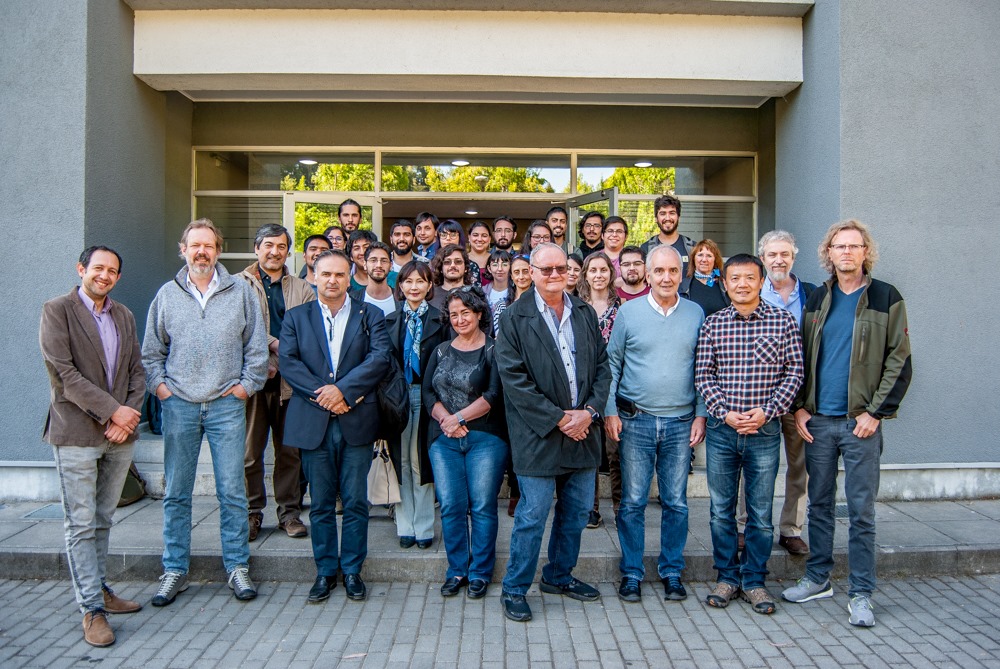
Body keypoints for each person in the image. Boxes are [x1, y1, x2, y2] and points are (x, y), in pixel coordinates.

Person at [781, 220, 911, 628]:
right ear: (829, 253)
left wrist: (875, 413)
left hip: (860, 425)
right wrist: (800, 408)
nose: (847, 253)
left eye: (854, 246)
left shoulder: (885, 297)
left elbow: (899, 360)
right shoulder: (818, 298)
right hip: (818, 422)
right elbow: (799, 356)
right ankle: (818, 577)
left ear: (865, 252)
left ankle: (861, 592)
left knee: (861, 511)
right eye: (839, 246)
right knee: (818, 505)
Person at [142, 219, 268, 606]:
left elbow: (257, 348)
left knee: (232, 491)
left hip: (226, 405)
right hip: (179, 405)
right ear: (183, 250)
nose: (201, 252)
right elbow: (151, 352)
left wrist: (245, 387)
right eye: (194, 245)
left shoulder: (241, 292)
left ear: (218, 250)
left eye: (208, 246)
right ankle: (174, 569)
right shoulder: (167, 295)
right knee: (176, 492)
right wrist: (162, 389)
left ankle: (237, 566)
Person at [496, 243, 611, 623]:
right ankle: (514, 588)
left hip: (584, 430)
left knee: (576, 512)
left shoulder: (584, 312)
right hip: (539, 435)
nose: (554, 275)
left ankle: (558, 576)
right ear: (531, 272)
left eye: (561, 268)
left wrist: (589, 412)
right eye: (546, 269)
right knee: (533, 514)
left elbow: (603, 367)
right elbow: (514, 380)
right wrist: (561, 419)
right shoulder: (513, 317)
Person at [40, 245, 145, 647]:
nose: (104, 275)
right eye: (98, 268)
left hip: (120, 436)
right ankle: (91, 610)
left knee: (102, 519)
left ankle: (100, 588)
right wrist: (113, 412)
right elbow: (64, 375)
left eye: (112, 271)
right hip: (77, 433)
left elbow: (137, 370)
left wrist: (128, 417)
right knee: (81, 523)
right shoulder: (57, 310)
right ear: (81, 269)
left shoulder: (124, 315)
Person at [279, 250, 391, 604]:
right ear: (313, 276)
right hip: (314, 422)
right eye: (325, 274)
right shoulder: (296, 317)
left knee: (356, 501)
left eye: (339, 274)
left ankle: (353, 570)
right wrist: (326, 396)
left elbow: (379, 359)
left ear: (350, 277)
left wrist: (343, 391)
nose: (332, 280)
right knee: (322, 502)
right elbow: (289, 363)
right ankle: (326, 571)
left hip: (356, 419)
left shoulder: (370, 314)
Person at [694, 253, 803, 615]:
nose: (742, 284)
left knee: (759, 512)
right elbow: (703, 375)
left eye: (749, 278)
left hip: (764, 431)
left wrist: (766, 412)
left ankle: (755, 580)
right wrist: (725, 412)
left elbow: (794, 373)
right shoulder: (713, 324)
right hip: (722, 431)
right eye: (735, 278)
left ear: (761, 282)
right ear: (725, 284)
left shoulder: (783, 321)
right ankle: (727, 577)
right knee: (721, 511)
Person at [605, 245, 707, 603]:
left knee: (676, 502)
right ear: (647, 275)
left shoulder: (695, 313)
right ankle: (632, 572)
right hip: (636, 420)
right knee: (633, 501)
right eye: (659, 271)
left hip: (681, 421)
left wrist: (701, 413)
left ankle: (672, 571)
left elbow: (703, 368)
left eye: (673, 271)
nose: (666, 277)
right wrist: (610, 411)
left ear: (682, 275)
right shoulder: (628, 313)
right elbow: (612, 364)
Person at [424, 287, 509, 599]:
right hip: (444, 439)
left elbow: (493, 395)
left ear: (479, 314)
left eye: (466, 313)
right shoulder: (441, 350)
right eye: (454, 314)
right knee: (450, 505)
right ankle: (457, 570)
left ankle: (480, 573)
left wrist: (458, 419)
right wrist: (447, 420)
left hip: (485, 438)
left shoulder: (494, 350)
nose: (460, 319)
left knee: (483, 506)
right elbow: (428, 393)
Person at [736, 231, 815, 556]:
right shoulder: (752, 291)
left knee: (799, 464)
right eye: (772, 254)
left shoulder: (812, 295)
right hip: (758, 398)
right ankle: (745, 526)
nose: (778, 260)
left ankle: (791, 528)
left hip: (799, 397)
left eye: (784, 254)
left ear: (793, 257)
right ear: (763, 258)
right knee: (751, 465)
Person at [239, 224, 316, 542]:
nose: (274, 251)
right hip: (251, 382)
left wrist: (282, 360)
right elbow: (238, 329)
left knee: (289, 453)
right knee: (250, 453)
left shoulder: (302, 288)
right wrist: (271, 345)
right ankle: (252, 511)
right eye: (268, 245)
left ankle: (289, 513)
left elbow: (309, 335)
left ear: (288, 251)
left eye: (281, 246)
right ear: (257, 248)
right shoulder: (236, 286)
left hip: (290, 383)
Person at [384, 261, 448, 551]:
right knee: (401, 461)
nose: (414, 287)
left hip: (428, 396)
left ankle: (423, 526)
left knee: (421, 460)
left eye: (420, 281)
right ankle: (405, 525)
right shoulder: (389, 320)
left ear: (429, 285)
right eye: (408, 281)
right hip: (397, 398)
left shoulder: (440, 320)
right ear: (400, 285)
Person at [576, 251, 622, 528]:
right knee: (589, 449)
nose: (598, 275)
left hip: (615, 384)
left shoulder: (622, 308)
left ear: (610, 273)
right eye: (593, 270)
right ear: (586, 275)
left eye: (603, 270)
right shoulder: (577, 307)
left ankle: (620, 507)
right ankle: (590, 508)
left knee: (615, 451)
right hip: (585, 386)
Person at [500, 253, 533, 517]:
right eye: (516, 272)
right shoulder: (504, 304)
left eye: (525, 271)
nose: (521, 276)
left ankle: (531, 493)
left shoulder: (540, 302)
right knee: (513, 438)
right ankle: (515, 492)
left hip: (536, 377)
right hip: (510, 376)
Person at [640, 195, 696, 290]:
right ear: (656, 218)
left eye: (672, 213)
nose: (667, 218)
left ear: (678, 217)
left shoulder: (692, 247)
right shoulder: (646, 248)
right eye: (663, 213)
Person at [683, 239, 729, 317]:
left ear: (715, 260)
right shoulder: (683, 286)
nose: (704, 260)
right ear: (694, 258)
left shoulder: (724, 284)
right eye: (700, 255)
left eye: (709, 256)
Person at [352, 241, 398, 316]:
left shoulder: (401, 299)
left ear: (391, 265)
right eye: (373, 260)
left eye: (384, 261)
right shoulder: (353, 299)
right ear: (365, 264)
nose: (379, 265)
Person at [428, 244, 474, 312]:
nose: (452, 265)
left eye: (458, 262)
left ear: (466, 268)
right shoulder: (430, 295)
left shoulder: (475, 295)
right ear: (440, 268)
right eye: (447, 262)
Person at [483, 249, 512, 333]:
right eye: (495, 265)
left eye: (505, 265)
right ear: (489, 268)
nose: (500, 269)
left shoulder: (516, 290)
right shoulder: (483, 292)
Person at [467, 220, 493, 286]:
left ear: (489, 239)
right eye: (475, 235)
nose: (479, 239)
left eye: (484, 236)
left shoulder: (495, 260)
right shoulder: (462, 260)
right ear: (469, 237)